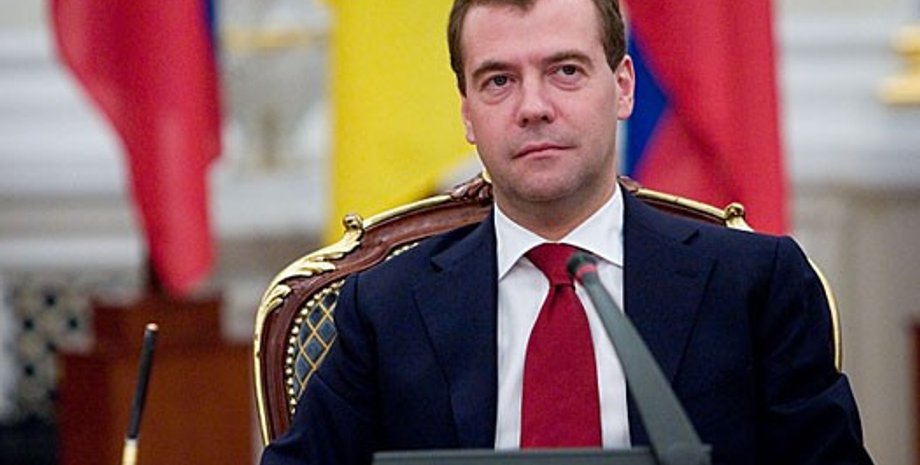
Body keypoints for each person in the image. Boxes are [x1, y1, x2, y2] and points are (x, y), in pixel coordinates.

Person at [261, 0, 873, 463]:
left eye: (566, 71)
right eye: (499, 80)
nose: (533, 106)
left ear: (622, 87)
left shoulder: (754, 285)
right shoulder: (388, 305)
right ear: (467, 114)